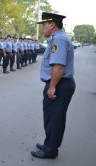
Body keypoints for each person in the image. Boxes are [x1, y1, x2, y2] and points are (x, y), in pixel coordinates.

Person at [31, 12, 76, 159]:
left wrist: (52, 87)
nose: (43, 28)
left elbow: (58, 67)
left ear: (52, 24)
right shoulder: (57, 39)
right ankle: (50, 144)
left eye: (44, 25)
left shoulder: (59, 40)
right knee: (54, 118)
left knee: (54, 119)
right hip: (60, 84)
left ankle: (50, 150)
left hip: (59, 85)